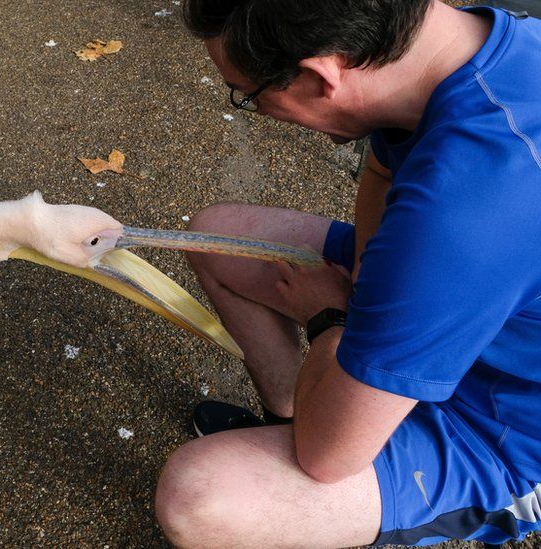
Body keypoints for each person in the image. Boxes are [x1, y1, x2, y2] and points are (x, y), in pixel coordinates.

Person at [153, 0, 541, 546]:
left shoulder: (463, 213)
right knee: (219, 237)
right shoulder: (458, 47)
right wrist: (367, 288)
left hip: (504, 429)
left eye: (251, 95)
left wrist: (330, 319)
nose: (258, 111)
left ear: (319, 76)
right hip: (468, 306)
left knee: (201, 498)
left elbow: (330, 457)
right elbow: (383, 169)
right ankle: (293, 411)